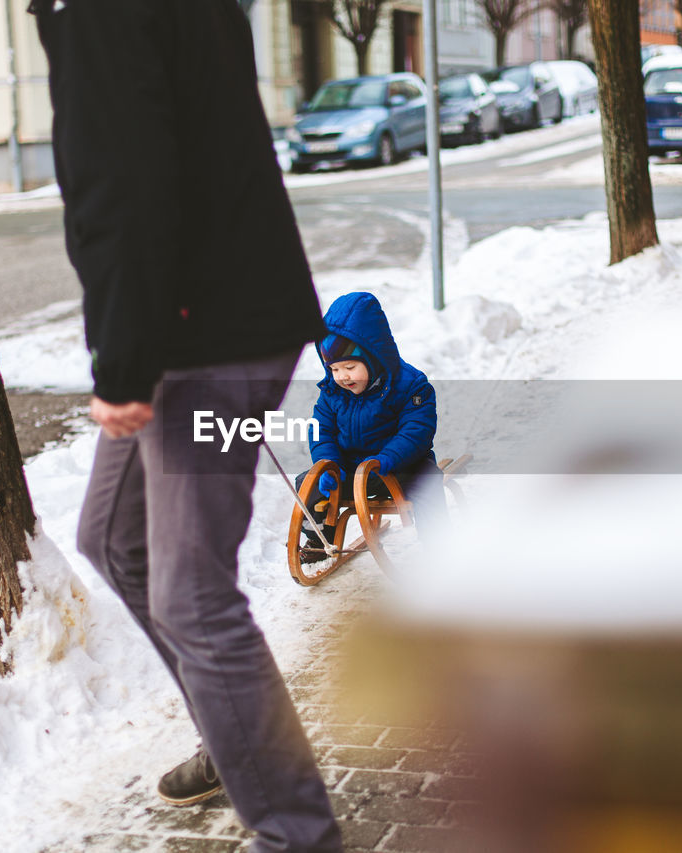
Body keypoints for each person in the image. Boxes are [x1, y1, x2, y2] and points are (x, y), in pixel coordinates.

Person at [30, 1, 341, 850]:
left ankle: (297, 833)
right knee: (113, 539)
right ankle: (234, 729)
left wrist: (126, 364)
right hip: (209, 319)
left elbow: (124, 181)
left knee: (194, 596)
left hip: (207, 335)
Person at [295, 292, 445, 560]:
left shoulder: (410, 385)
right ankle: (319, 540)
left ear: (374, 357)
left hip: (398, 467)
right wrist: (329, 462)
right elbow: (321, 430)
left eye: (350, 366)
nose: (342, 377)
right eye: (334, 369)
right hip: (349, 469)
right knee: (308, 481)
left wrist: (388, 458)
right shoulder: (332, 392)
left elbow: (417, 431)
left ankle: (440, 546)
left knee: (428, 482)